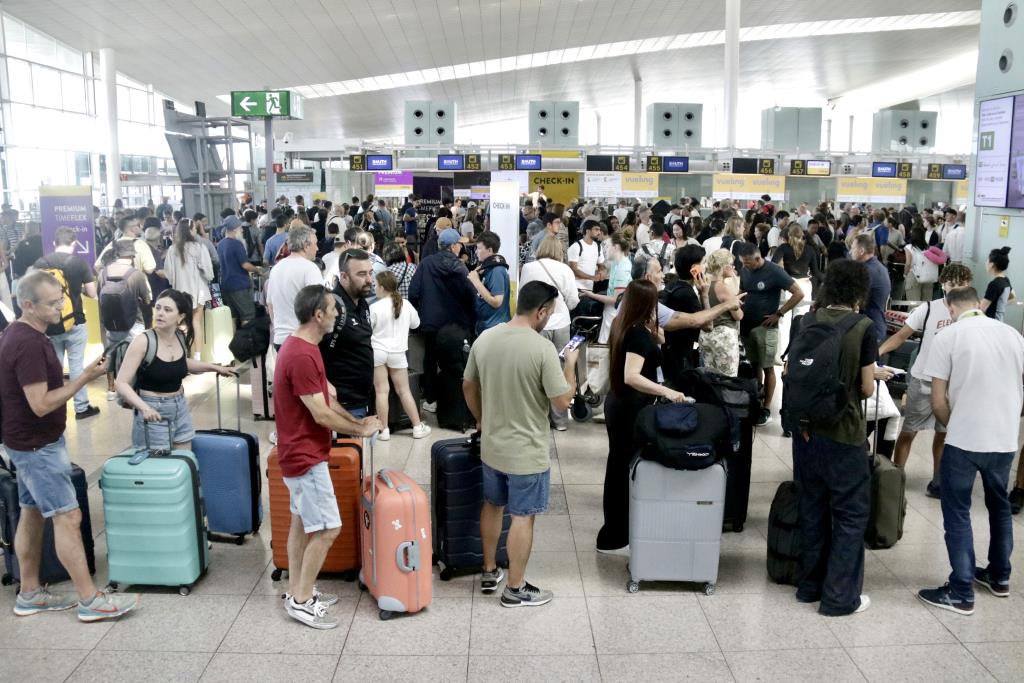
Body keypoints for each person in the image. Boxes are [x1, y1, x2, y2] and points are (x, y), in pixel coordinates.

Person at [0, 271, 140, 622]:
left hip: (27, 442)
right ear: (27, 305)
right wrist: (84, 378)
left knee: (31, 513)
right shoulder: (28, 342)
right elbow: (41, 403)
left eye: (60, 298)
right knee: (68, 515)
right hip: (36, 446)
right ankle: (89, 600)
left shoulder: (24, 334)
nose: (60, 306)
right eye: (51, 303)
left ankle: (29, 592)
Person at [464, 281, 577, 607]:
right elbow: (560, 402)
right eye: (550, 313)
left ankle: (489, 569)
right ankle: (515, 588)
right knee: (523, 515)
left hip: (493, 446)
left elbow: (468, 385)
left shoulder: (486, 338)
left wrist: (482, 418)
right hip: (527, 452)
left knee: (493, 504)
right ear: (540, 311)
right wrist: (570, 366)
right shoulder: (541, 349)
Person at [274, 284, 380, 628]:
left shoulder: (305, 346)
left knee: (302, 523)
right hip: (305, 458)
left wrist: (357, 422)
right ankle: (302, 601)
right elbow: (320, 414)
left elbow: (327, 401)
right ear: (318, 315)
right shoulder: (302, 355)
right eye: (333, 309)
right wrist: (360, 430)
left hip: (301, 453)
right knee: (328, 528)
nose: (338, 313)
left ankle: (296, 590)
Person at [917, 287, 1024, 616]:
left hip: (964, 441)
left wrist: (956, 425)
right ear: (979, 304)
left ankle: (961, 590)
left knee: (958, 512)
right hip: (1004, 439)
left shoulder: (948, 337)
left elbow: (937, 401)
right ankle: (999, 576)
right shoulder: (1013, 335)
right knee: (999, 507)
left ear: (950, 308)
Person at [791, 259, 881, 617]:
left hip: (806, 431)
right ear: (860, 291)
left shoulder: (805, 321)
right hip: (844, 434)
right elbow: (865, 386)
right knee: (848, 514)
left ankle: (809, 586)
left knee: (811, 507)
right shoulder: (863, 327)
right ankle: (840, 597)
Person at [597, 279, 691, 555]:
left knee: (617, 467)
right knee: (621, 469)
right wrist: (667, 392)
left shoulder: (624, 325)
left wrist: (657, 333)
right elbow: (632, 376)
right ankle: (616, 535)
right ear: (646, 304)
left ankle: (614, 532)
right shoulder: (637, 333)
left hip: (619, 404)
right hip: (630, 407)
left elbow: (657, 344)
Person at [878, 264, 973, 496]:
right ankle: (896, 476)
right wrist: (875, 354)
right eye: (952, 284)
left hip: (953, 384)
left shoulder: (971, 315)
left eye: (961, 285)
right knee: (909, 431)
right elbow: (901, 336)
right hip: (924, 379)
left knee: (943, 435)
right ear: (944, 285)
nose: (956, 289)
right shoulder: (928, 309)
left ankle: (938, 481)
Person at [115, 289, 235, 450]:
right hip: (153, 409)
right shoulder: (143, 341)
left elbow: (181, 362)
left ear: (181, 317)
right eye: (158, 308)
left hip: (180, 406)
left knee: (185, 461)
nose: (160, 313)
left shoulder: (179, 336)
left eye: (167, 310)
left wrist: (214, 367)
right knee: (160, 469)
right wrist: (145, 408)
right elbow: (121, 383)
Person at [33, 226, 100, 420]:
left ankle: (54, 409)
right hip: (75, 322)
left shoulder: (40, 263)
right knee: (77, 366)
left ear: (54, 243)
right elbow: (93, 294)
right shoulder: (79, 263)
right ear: (74, 244)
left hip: (49, 324)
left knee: (54, 368)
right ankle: (81, 407)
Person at [408, 227, 477, 414]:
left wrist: (421, 312)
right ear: (453, 246)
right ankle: (453, 400)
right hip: (455, 324)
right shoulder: (460, 267)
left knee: (430, 360)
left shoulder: (426, 263)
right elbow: (471, 295)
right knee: (454, 362)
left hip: (430, 323)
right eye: (459, 244)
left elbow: (413, 292)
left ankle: (431, 399)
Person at [735, 241, 805, 425]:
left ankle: (766, 407)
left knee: (768, 367)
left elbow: (798, 293)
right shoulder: (745, 270)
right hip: (747, 324)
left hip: (765, 327)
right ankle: (757, 399)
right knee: (754, 365)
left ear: (758, 258)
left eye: (748, 262)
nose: (744, 266)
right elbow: (742, 290)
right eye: (742, 262)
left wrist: (779, 313)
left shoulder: (774, 271)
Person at [520, 235, 580, 431]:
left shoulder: (529, 268)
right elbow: (573, 300)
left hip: (537, 323)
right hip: (561, 322)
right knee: (561, 370)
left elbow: (524, 295)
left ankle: (539, 418)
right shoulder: (566, 270)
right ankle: (560, 420)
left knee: (536, 369)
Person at [370, 271, 430, 441]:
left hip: (378, 351)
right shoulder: (406, 304)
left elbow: (368, 329)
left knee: (381, 391)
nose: (374, 288)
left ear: (382, 287)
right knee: (404, 391)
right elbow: (416, 323)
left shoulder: (374, 307)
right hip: (398, 352)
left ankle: (384, 430)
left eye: (375, 285)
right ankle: (417, 426)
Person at [320, 249, 375, 421]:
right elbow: (309, 346)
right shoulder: (332, 307)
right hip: (343, 404)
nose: (369, 280)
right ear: (344, 277)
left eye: (370, 273)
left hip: (362, 399)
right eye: (361, 274)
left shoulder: (362, 303)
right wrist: (324, 384)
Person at [99, 238, 152, 401]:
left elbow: (99, 295)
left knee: (111, 354)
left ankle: (111, 389)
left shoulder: (103, 273)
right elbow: (147, 299)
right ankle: (134, 389)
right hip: (133, 321)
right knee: (136, 354)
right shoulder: (136, 274)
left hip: (110, 323)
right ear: (131, 256)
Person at [267, 226, 323, 352]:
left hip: (280, 339)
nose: (317, 248)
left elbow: (270, 304)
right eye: (315, 244)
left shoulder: (276, 268)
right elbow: (319, 304)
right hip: (303, 340)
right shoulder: (310, 268)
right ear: (306, 246)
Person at [163, 219, 213, 358]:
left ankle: (182, 354)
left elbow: (169, 274)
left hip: (180, 292)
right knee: (196, 322)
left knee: (181, 323)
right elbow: (209, 273)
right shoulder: (199, 247)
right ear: (190, 230)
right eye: (194, 229)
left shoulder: (172, 249)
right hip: (198, 292)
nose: (196, 231)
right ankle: (197, 357)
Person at [699, 249, 744, 377]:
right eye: (731, 264)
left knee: (710, 378)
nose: (733, 267)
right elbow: (738, 315)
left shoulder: (705, 285)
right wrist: (735, 279)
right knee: (727, 379)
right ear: (724, 266)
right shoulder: (723, 288)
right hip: (724, 337)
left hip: (706, 335)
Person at [581, 235, 633, 344]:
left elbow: (615, 299)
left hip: (615, 313)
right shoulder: (616, 264)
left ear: (616, 247)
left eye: (607, 247)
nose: (604, 250)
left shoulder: (622, 269)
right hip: (612, 312)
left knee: (606, 347)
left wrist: (591, 294)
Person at [849, 232, 891, 344]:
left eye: (853, 248)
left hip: (868, 329)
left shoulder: (866, 271)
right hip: (876, 325)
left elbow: (854, 301)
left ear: (861, 251)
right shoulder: (880, 267)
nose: (850, 252)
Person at [216, 218, 260, 325]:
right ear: (235, 229)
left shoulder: (220, 244)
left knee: (233, 317)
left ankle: (234, 340)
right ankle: (246, 341)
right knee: (247, 316)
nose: (242, 230)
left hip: (226, 285)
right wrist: (258, 270)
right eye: (240, 228)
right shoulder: (236, 244)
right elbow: (245, 265)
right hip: (239, 285)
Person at [467, 232, 511, 336]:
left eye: (479, 248)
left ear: (490, 250)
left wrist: (476, 282)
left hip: (494, 328)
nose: (476, 252)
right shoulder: (488, 267)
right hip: (486, 325)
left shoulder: (497, 270)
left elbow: (497, 301)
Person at [567, 221, 606, 292]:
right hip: (576, 287)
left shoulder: (598, 246)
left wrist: (602, 271)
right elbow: (573, 269)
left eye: (599, 230)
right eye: (596, 229)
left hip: (589, 288)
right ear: (588, 231)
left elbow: (601, 264)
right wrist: (592, 277)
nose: (599, 232)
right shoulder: (576, 246)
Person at [902, 227, 939, 302]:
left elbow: (908, 263)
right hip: (928, 277)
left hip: (913, 276)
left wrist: (905, 274)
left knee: (914, 304)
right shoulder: (929, 248)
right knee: (926, 303)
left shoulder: (909, 247)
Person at [980, 247, 1015, 321]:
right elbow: (1013, 298)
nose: (986, 263)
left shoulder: (994, 284)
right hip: (999, 320)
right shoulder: (1006, 279)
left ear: (991, 264)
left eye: (987, 261)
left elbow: (981, 309)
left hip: (991, 322)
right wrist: (999, 305)